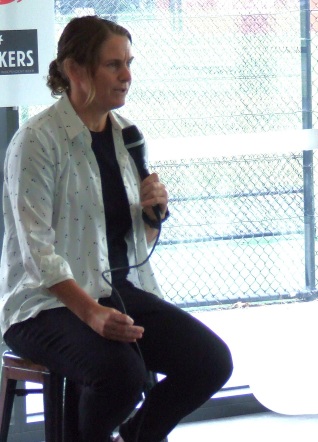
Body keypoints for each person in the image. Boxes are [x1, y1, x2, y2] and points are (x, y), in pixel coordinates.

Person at [0, 16, 233, 442]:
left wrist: (150, 216)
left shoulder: (127, 137)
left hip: (115, 289)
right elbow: (36, 252)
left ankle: (134, 436)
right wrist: (91, 313)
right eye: (113, 65)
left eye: (129, 63)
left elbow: (129, 245)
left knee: (212, 361)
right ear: (75, 71)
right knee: (122, 376)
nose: (127, 76)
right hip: (40, 306)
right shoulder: (37, 140)